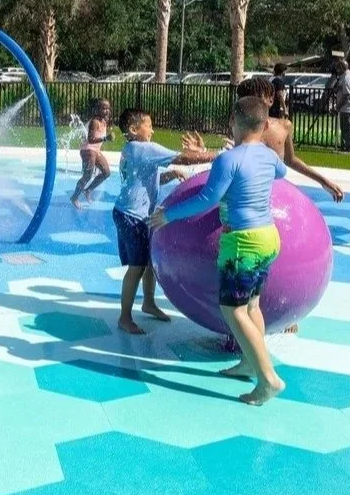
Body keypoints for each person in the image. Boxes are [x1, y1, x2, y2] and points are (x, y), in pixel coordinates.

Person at [151, 97, 288, 406]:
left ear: (232, 122)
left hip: (242, 243)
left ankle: (268, 379)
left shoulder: (229, 160)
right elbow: (282, 173)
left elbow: (207, 199)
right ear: (266, 125)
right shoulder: (267, 155)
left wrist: (168, 215)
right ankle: (249, 363)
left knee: (233, 310)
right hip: (269, 238)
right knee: (252, 306)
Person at [114, 108, 218, 335]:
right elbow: (186, 157)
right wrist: (218, 155)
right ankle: (124, 317)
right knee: (136, 267)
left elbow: (142, 178)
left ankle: (148, 303)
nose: (152, 129)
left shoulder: (131, 149)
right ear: (134, 129)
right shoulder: (144, 148)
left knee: (149, 260)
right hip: (133, 216)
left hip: (129, 212)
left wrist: (170, 175)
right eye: (148, 125)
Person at [237, 77, 344, 202]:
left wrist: (324, 181)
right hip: (245, 191)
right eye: (246, 99)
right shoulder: (238, 126)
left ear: (271, 100)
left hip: (273, 191)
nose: (251, 103)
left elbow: (291, 160)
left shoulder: (284, 126)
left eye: (256, 98)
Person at [71, 99, 113, 209]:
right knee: (87, 175)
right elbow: (90, 139)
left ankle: (88, 190)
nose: (106, 111)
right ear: (98, 109)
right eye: (104, 108)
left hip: (95, 151)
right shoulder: (94, 121)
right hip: (88, 150)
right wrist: (106, 138)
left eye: (108, 108)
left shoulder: (104, 121)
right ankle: (74, 197)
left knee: (106, 172)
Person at [330, 60, 350, 153]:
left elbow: (347, 95)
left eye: (338, 67)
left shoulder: (347, 77)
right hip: (345, 107)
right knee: (344, 128)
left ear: (342, 68)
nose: (336, 69)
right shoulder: (343, 77)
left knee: (349, 128)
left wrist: (337, 107)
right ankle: (344, 147)